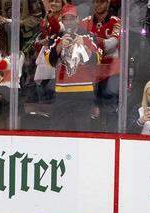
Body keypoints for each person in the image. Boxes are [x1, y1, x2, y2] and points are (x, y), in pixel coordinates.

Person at [47, 4, 100, 132]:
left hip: (83, 93)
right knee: (60, 131)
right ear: (62, 21)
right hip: (62, 94)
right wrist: (59, 46)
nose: (69, 21)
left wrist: (85, 46)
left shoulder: (89, 37)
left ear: (77, 19)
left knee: (82, 131)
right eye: (66, 19)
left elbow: (97, 60)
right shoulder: (56, 38)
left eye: (72, 18)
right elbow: (50, 62)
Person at [81, 0, 119, 129]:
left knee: (110, 108)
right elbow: (81, 41)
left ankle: (112, 136)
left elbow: (112, 44)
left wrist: (92, 39)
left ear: (108, 3)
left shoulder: (116, 21)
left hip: (111, 71)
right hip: (91, 72)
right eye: (96, 2)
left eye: (101, 2)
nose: (98, 5)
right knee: (91, 109)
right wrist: (99, 40)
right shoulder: (86, 21)